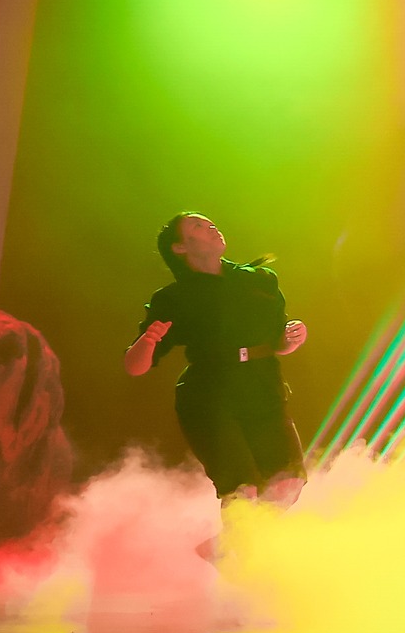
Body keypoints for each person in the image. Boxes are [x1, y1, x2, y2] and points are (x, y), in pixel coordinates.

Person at [124, 213, 309, 507]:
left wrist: (293, 337)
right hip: (209, 396)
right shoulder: (173, 298)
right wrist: (147, 341)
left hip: (262, 387)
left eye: (210, 223)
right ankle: (240, 531)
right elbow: (135, 367)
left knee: (287, 483)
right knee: (242, 490)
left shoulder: (259, 280)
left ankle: (243, 534)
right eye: (197, 226)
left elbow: (279, 343)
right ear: (180, 247)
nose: (211, 227)